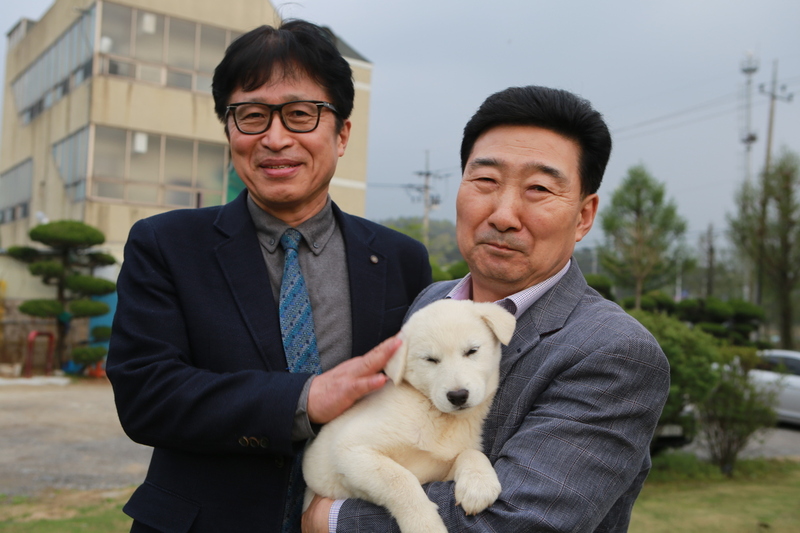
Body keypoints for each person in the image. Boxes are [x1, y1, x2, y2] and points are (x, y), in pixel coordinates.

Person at [105, 20, 432, 533]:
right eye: (252, 116)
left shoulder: (400, 258)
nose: (275, 138)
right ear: (230, 131)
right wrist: (304, 400)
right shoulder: (165, 244)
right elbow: (147, 396)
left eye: (301, 115)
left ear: (342, 133)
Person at [303, 86, 670, 532]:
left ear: (584, 216)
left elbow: (521, 521)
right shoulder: (432, 304)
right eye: (485, 181)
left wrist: (330, 517)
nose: (503, 214)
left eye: (538, 188)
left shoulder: (616, 352)